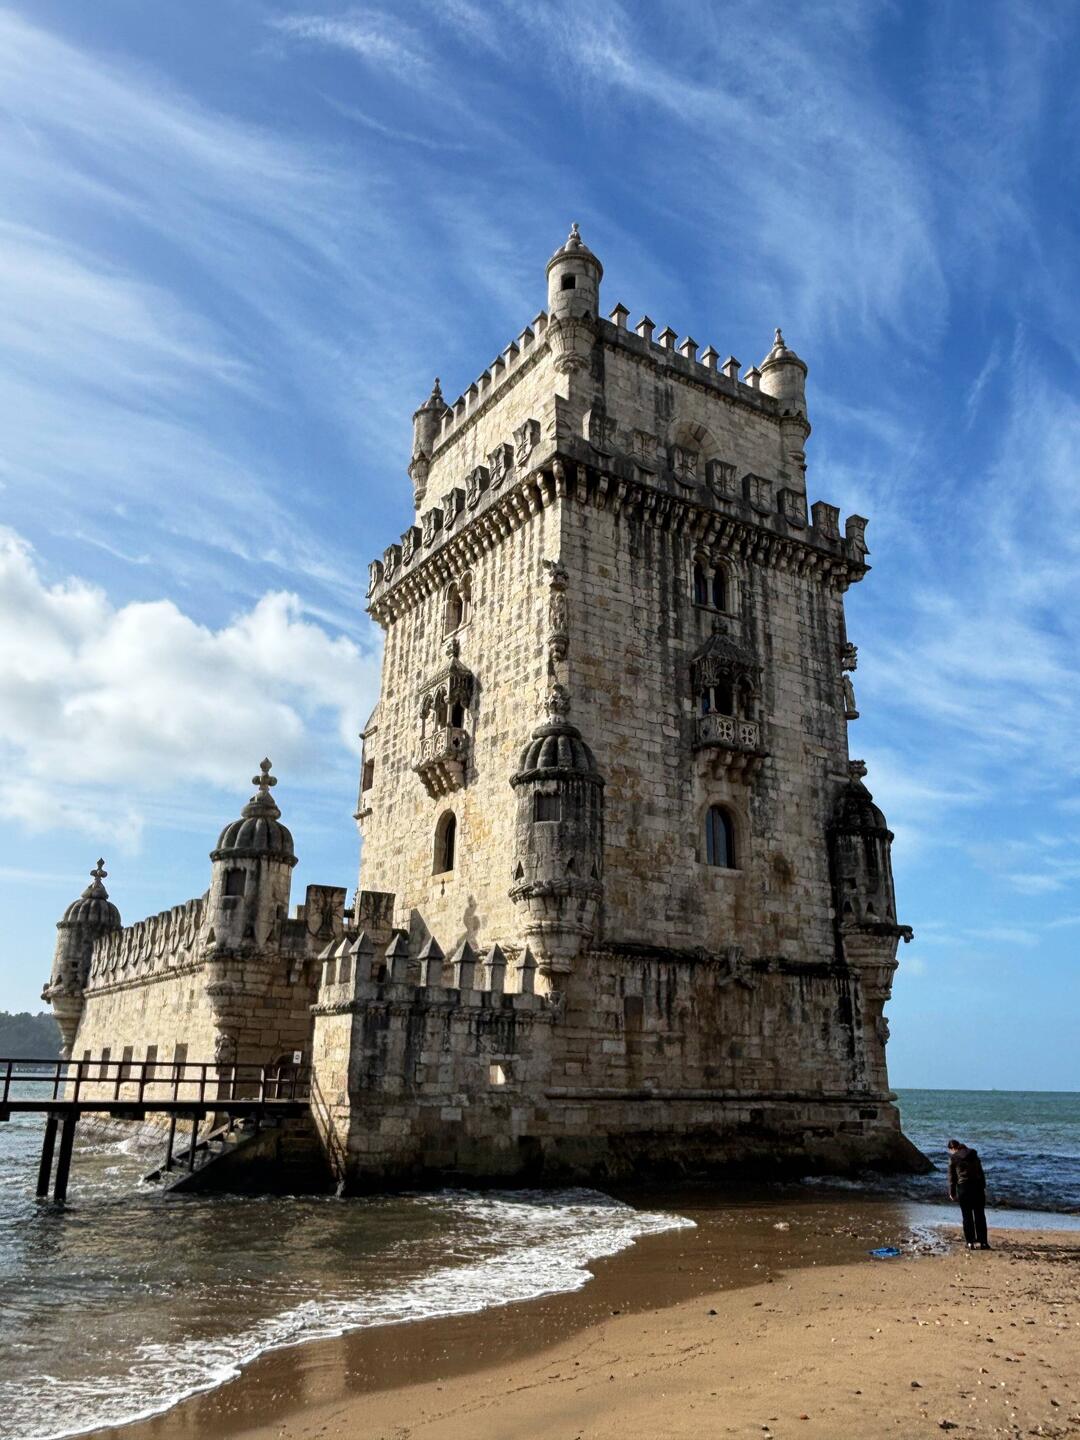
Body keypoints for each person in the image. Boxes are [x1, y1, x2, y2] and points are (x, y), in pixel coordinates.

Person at [947, 1138, 990, 1249]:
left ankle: (970, 1242)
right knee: (980, 1215)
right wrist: (983, 1187)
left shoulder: (954, 1158)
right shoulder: (974, 1155)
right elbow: (981, 1172)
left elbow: (952, 1177)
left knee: (967, 1216)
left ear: (953, 1149)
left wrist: (952, 1192)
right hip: (977, 1187)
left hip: (964, 1188)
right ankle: (983, 1242)